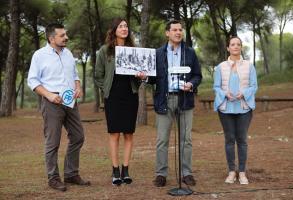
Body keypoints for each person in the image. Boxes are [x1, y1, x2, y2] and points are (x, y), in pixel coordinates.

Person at [27, 23, 90, 192]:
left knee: (78, 136)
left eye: (65, 34)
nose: (66, 38)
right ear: (51, 38)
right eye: (62, 35)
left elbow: (75, 75)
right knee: (52, 141)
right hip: (52, 101)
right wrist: (49, 95)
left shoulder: (68, 53)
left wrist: (78, 87)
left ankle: (70, 174)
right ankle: (53, 178)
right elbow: (32, 81)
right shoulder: (39, 55)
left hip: (70, 101)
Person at [149, 20, 202, 187]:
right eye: (174, 30)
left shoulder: (190, 53)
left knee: (186, 139)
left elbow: (197, 75)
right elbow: (152, 77)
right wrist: (144, 76)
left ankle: (186, 173)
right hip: (164, 99)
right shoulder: (157, 53)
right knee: (162, 139)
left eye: (180, 30)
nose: (178, 32)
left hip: (185, 99)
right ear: (167, 33)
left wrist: (191, 84)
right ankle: (161, 174)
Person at [94, 18, 146, 186]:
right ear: (114, 29)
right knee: (114, 133)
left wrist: (141, 78)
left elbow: (140, 77)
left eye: (126, 26)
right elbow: (98, 76)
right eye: (121, 26)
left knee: (128, 133)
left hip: (130, 95)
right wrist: (106, 89)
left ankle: (126, 169)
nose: (124, 28)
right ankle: (115, 171)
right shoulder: (105, 50)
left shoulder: (134, 51)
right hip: (113, 96)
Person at [213, 36, 258, 185]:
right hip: (225, 109)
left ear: (241, 47)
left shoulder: (249, 66)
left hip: (244, 108)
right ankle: (232, 172)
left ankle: (243, 172)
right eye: (233, 44)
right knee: (229, 140)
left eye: (238, 44)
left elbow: (254, 86)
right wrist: (224, 93)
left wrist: (243, 93)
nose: (236, 47)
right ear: (228, 48)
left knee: (242, 140)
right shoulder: (220, 67)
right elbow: (216, 87)